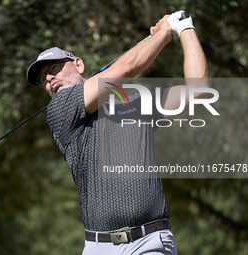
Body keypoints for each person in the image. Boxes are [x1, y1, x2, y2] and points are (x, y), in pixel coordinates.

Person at [26, 11, 208, 255]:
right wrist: (164, 33)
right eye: (42, 78)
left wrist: (185, 28)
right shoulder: (60, 110)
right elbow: (128, 66)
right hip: (99, 247)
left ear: (78, 64)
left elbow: (198, 92)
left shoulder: (136, 103)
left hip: (150, 242)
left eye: (55, 68)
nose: (49, 78)